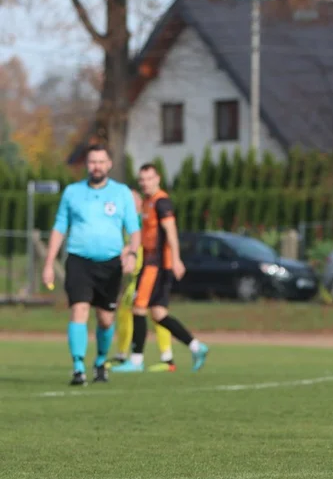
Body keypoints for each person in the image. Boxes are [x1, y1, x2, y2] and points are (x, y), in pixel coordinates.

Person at [42, 144, 141, 386]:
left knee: (106, 319)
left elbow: (134, 229)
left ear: (109, 164)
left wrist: (131, 253)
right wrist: (48, 263)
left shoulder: (121, 193)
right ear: (87, 165)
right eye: (92, 162)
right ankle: (78, 367)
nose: (96, 166)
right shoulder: (72, 193)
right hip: (79, 261)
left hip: (109, 264)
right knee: (79, 309)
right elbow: (59, 227)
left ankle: (99, 362)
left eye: (101, 162)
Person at [111, 163, 209, 373]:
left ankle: (136, 361)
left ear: (158, 179)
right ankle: (197, 347)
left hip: (156, 264)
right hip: (150, 262)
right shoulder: (148, 202)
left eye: (149, 178)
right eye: (142, 179)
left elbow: (171, 231)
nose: (145, 183)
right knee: (158, 314)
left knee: (138, 308)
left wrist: (176, 259)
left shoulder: (162, 202)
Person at [112, 188, 175, 372]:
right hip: (136, 273)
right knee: (130, 311)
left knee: (154, 312)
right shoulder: (127, 221)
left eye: (132, 201)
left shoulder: (144, 220)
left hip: (147, 271)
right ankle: (124, 354)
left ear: (140, 202)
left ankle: (165, 357)